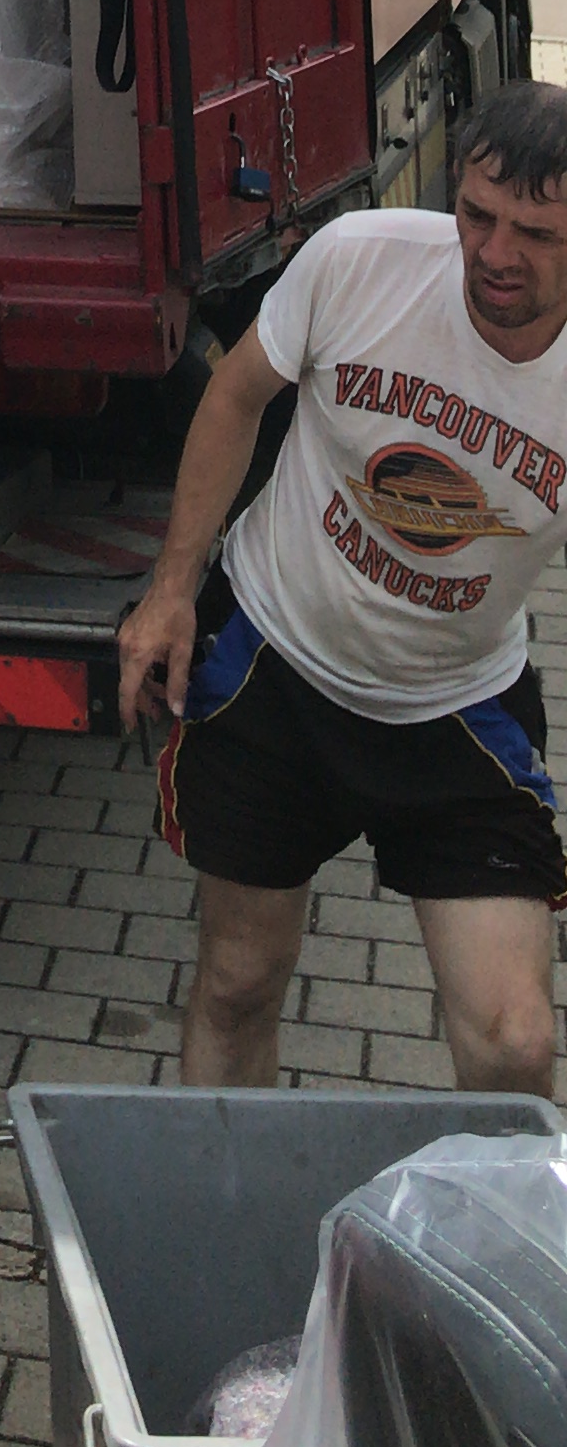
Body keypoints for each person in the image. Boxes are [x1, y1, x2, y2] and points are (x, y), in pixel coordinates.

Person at [119, 79, 567, 1095]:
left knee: (514, 1043)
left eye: (536, 234)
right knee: (237, 983)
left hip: (452, 705)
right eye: (478, 216)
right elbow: (235, 395)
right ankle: (227, 1192)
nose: (494, 254)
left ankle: (487, 1208)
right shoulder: (361, 259)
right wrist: (170, 588)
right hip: (276, 667)